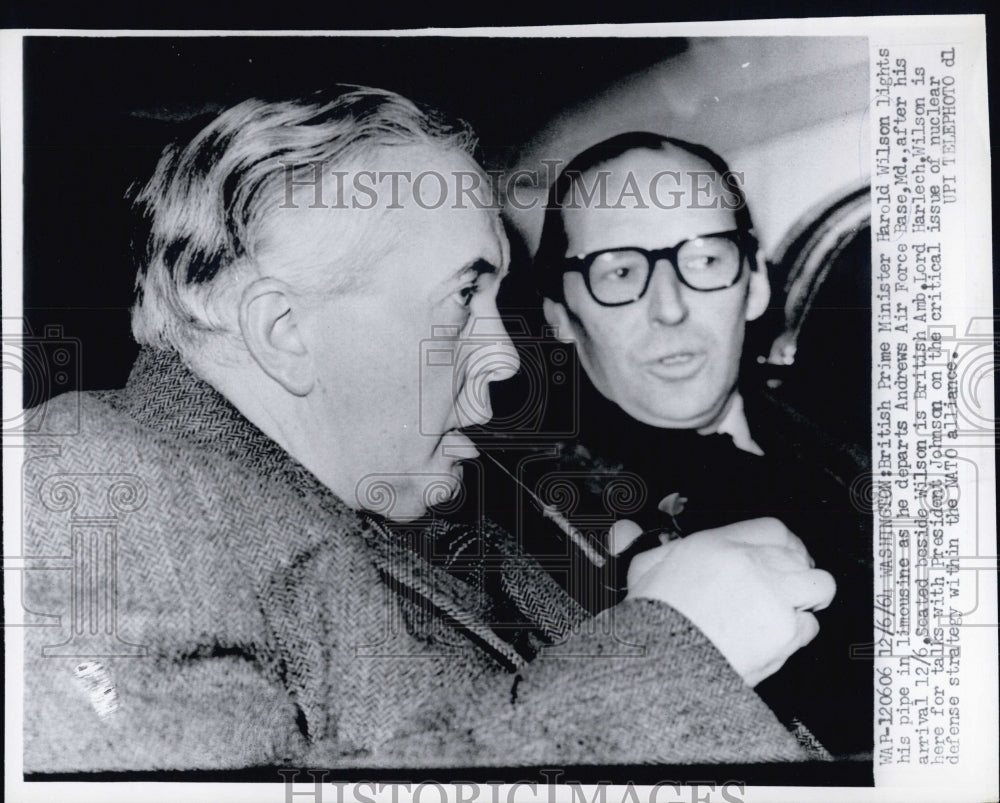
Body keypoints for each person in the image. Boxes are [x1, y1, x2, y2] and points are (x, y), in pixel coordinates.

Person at [20, 93, 834, 772]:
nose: (507, 355)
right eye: (462, 297)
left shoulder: (408, 512)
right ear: (283, 328)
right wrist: (672, 653)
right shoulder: (91, 484)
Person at [487, 132, 871, 758]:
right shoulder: (533, 538)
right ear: (558, 312)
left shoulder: (860, 430)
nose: (669, 308)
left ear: (755, 285)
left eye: (706, 260)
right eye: (618, 271)